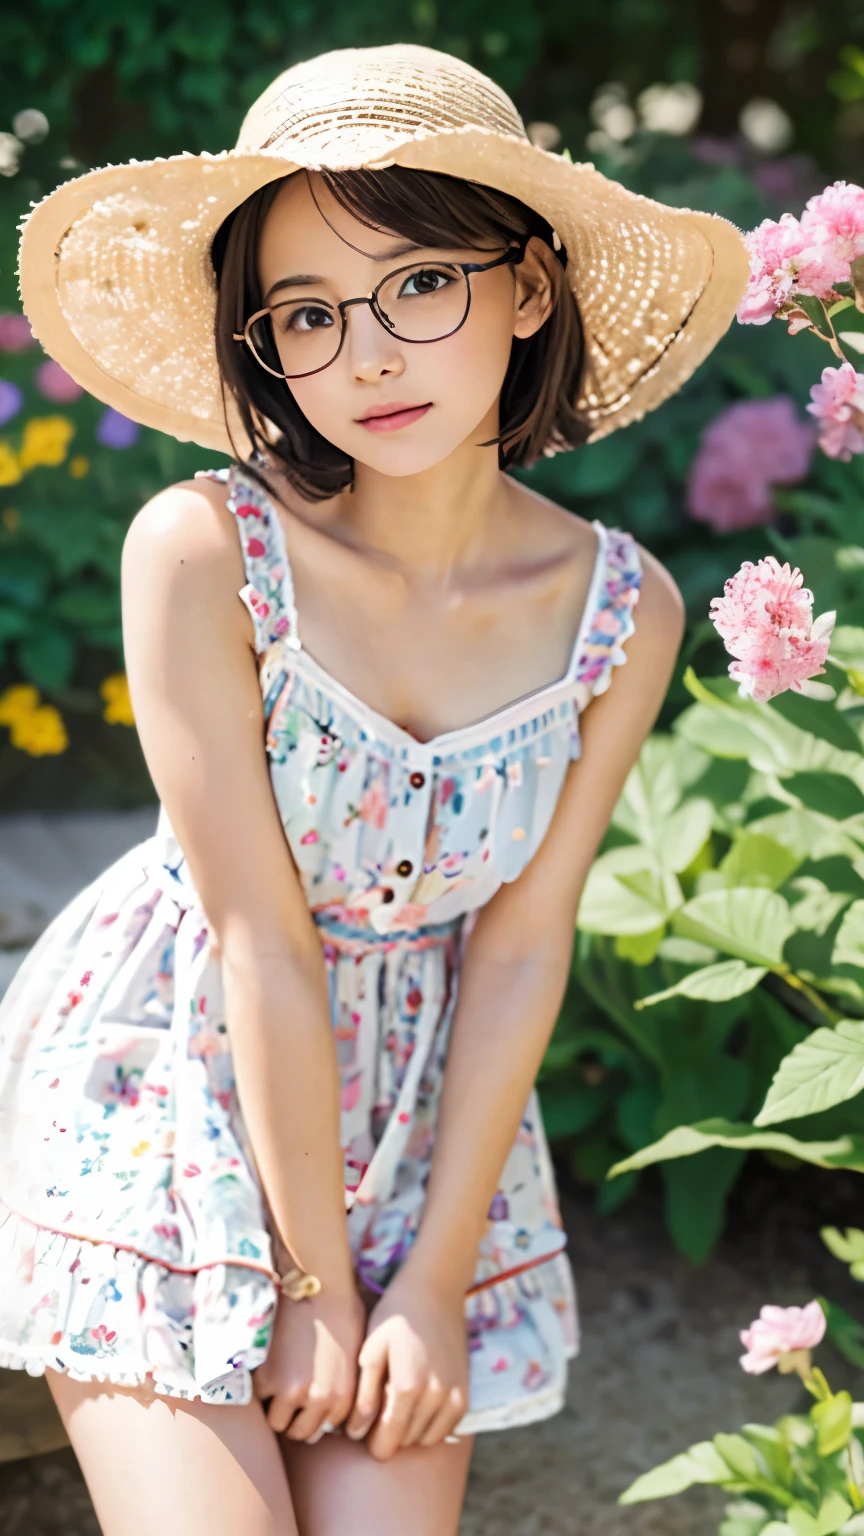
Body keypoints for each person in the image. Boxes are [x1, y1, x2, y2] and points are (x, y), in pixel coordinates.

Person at [2, 43, 747, 1536]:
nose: (367, 357)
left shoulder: (622, 607)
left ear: (528, 287)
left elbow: (527, 943)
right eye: (306, 315)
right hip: (175, 1089)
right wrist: (314, 1287)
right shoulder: (204, 551)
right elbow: (257, 938)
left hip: (422, 1134)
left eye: (418, 283)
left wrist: (429, 1279)